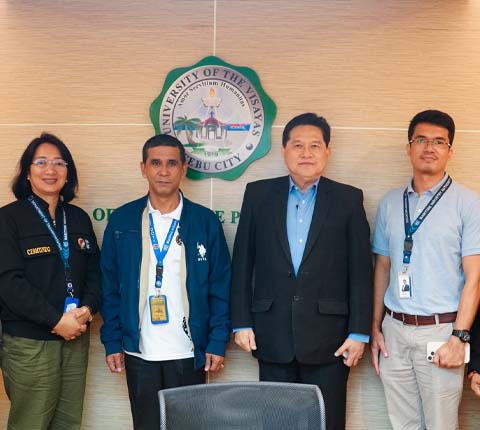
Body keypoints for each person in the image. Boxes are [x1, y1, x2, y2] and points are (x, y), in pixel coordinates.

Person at [231, 112, 373, 429]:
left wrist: (358, 332)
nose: (306, 153)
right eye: (297, 145)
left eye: (314, 145)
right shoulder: (258, 195)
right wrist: (241, 321)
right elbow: (242, 262)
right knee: (275, 423)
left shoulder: (348, 199)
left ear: (327, 152)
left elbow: (361, 272)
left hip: (331, 340)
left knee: (326, 422)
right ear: (284, 151)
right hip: (271, 335)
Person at [100, 134, 230, 430]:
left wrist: (217, 340)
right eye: (155, 163)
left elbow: (220, 287)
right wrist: (112, 341)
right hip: (138, 350)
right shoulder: (123, 220)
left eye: (172, 164)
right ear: (143, 168)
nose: (163, 171)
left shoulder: (205, 221)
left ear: (184, 169)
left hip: (189, 350)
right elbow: (110, 287)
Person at [370, 110, 480, 430]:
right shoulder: (390, 203)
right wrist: (376, 327)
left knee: (440, 425)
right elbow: (382, 268)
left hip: (441, 331)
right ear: (409, 147)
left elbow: (475, 277)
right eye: (421, 140)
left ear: (450, 150)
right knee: (402, 423)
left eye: (439, 141)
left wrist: (459, 337)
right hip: (394, 330)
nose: (429, 147)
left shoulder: (469, 204)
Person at [0, 133, 101, 430]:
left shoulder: (79, 218)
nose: (50, 170)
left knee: (68, 423)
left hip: (75, 338)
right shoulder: (8, 218)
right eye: (41, 162)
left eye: (59, 163)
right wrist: (56, 321)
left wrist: (87, 310)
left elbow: (95, 273)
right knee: (30, 423)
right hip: (30, 343)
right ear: (27, 172)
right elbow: (8, 282)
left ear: (68, 172)